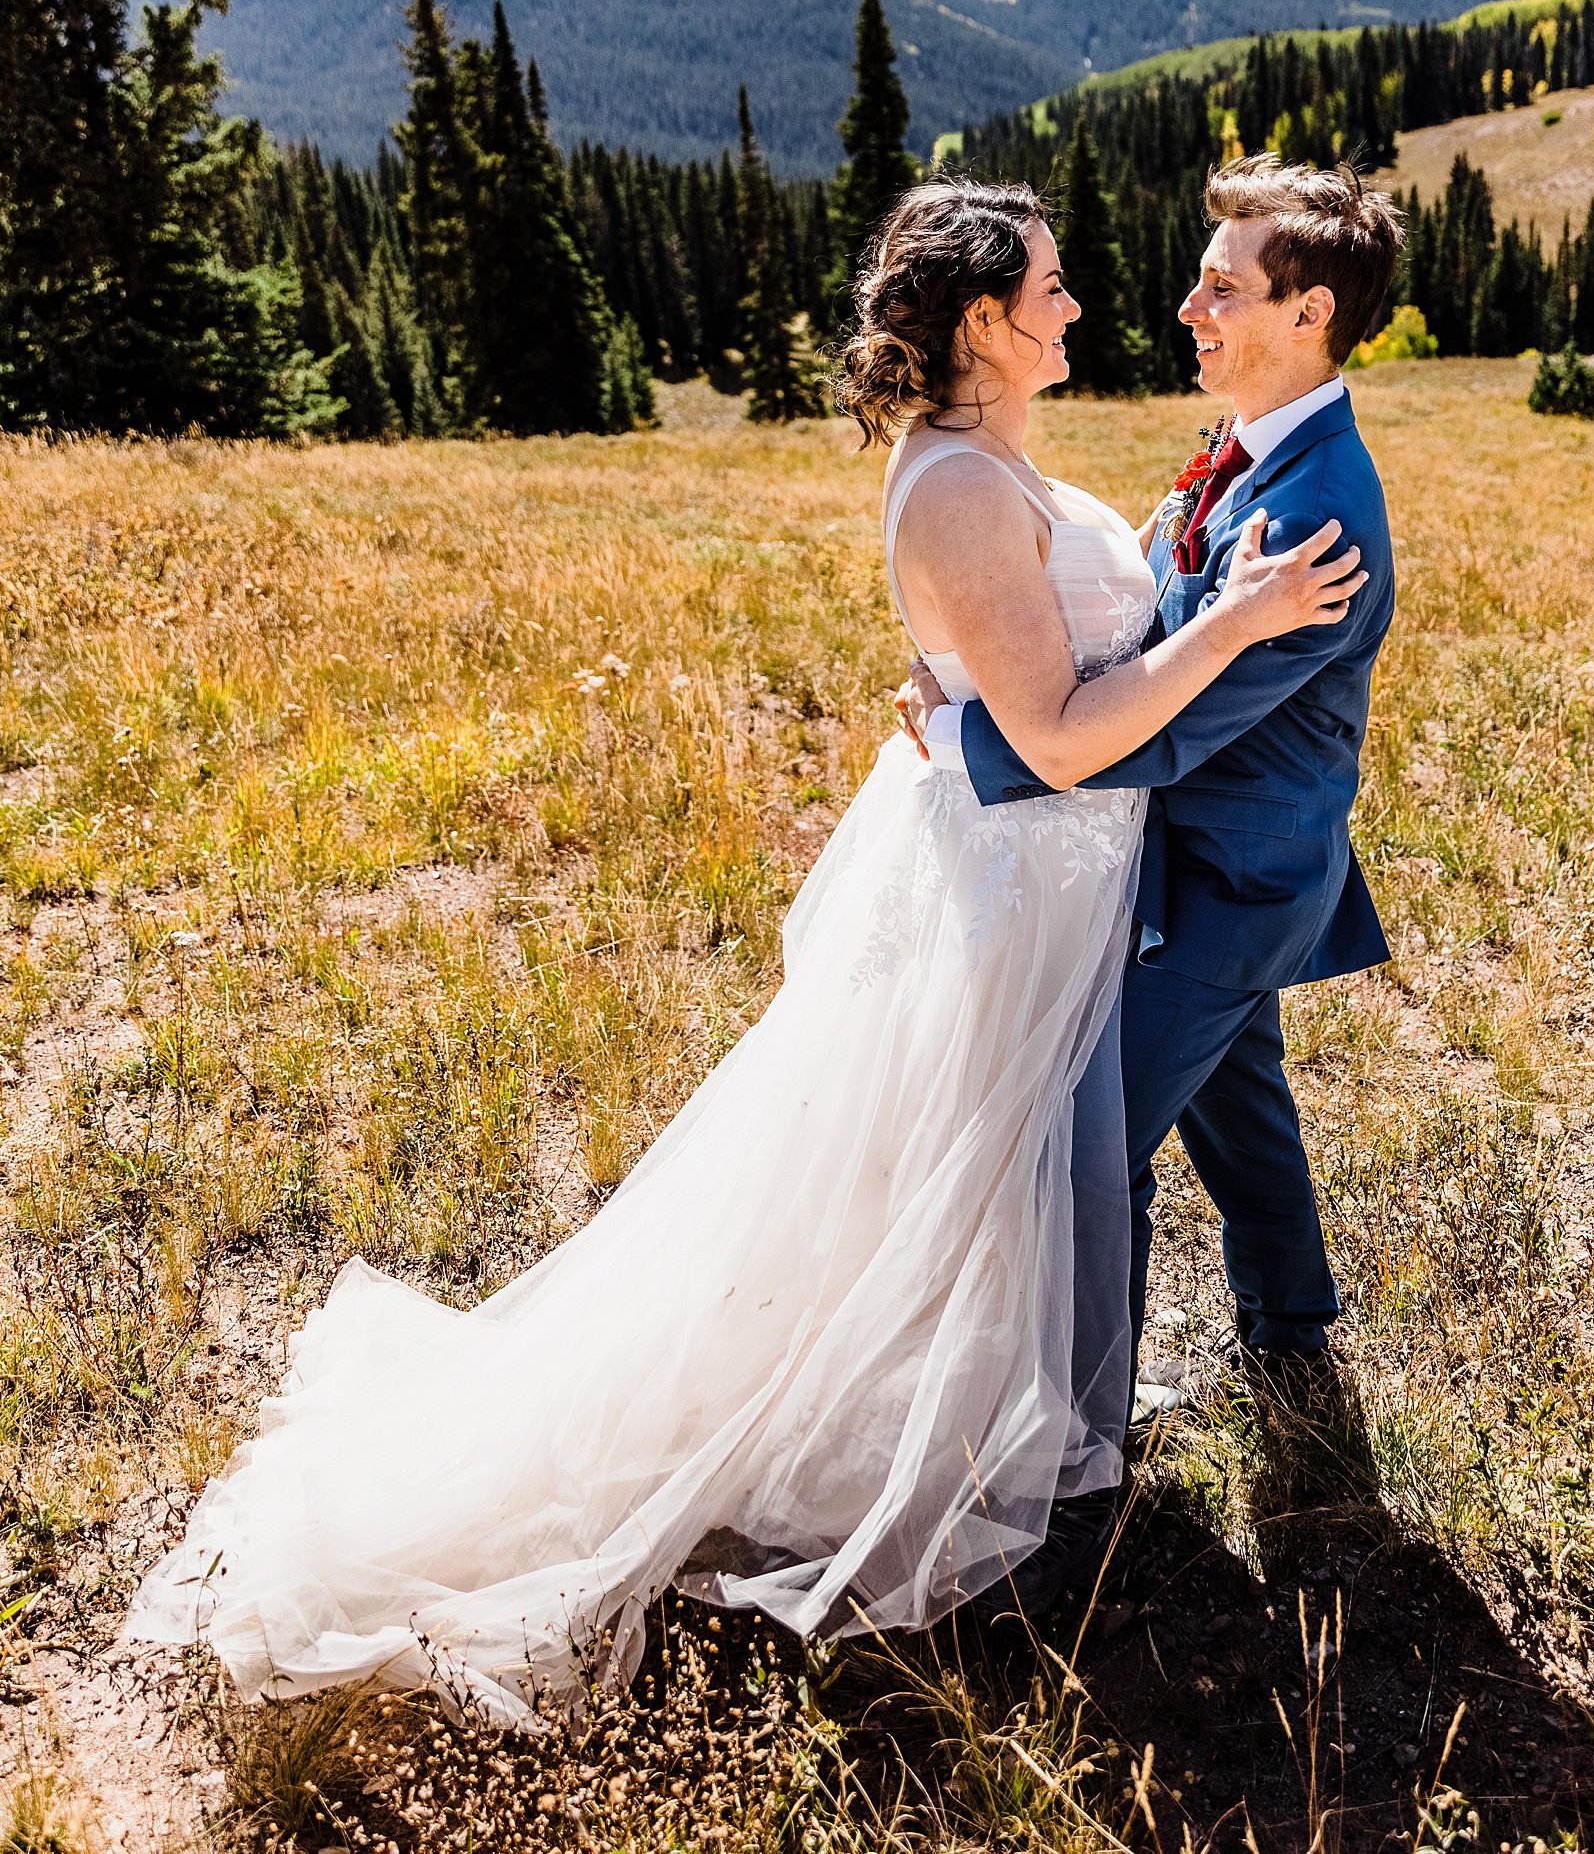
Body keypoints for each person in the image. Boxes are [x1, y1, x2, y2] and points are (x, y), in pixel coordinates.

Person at [123, 179, 1362, 1721]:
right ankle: (1035, 1470)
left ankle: (1091, 1404)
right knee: (1021, 1167)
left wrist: (970, 697)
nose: (1079, 307)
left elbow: (1038, 667)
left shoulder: (993, 457)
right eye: (1048, 287)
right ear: (979, 317)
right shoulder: (966, 487)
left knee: (1008, 1171)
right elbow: (1055, 733)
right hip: (1027, 873)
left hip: (1075, 876)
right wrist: (1197, 637)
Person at [903, 154, 1403, 1611]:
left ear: (1307, 312)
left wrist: (965, 735)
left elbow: (1177, 723)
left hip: (1237, 876)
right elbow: (1164, 619)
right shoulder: (1249, 439)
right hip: (1191, 861)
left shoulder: (1323, 517)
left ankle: (1082, 1451)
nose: (1187, 303)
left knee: (1091, 1130)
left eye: (1223, 286)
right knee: (1242, 1096)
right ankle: (1293, 1332)